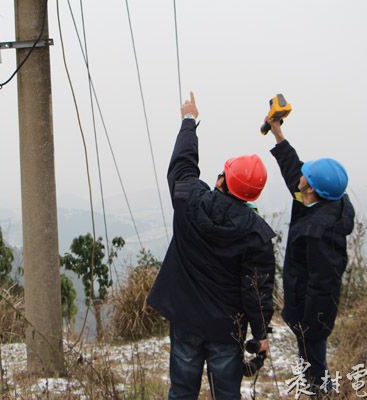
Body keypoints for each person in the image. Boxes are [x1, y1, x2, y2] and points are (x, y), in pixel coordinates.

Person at [147, 92, 276, 400]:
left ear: (222, 180)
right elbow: (257, 291)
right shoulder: (256, 234)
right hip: (226, 330)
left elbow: (182, 165)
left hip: (186, 320)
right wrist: (260, 334)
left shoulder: (190, 200)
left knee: (181, 392)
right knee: (227, 394)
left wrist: (188, 121)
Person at [266, 116, 355, 392]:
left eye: (306, 177)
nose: (300, 176)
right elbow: (296, 171)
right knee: (311, 366)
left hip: (312, 317)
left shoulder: (321, 232)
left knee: (314, 370)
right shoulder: (324, 198)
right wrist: (278, 135)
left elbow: (323, 284)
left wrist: (307, 324)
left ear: (311, 189)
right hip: (306, 311)